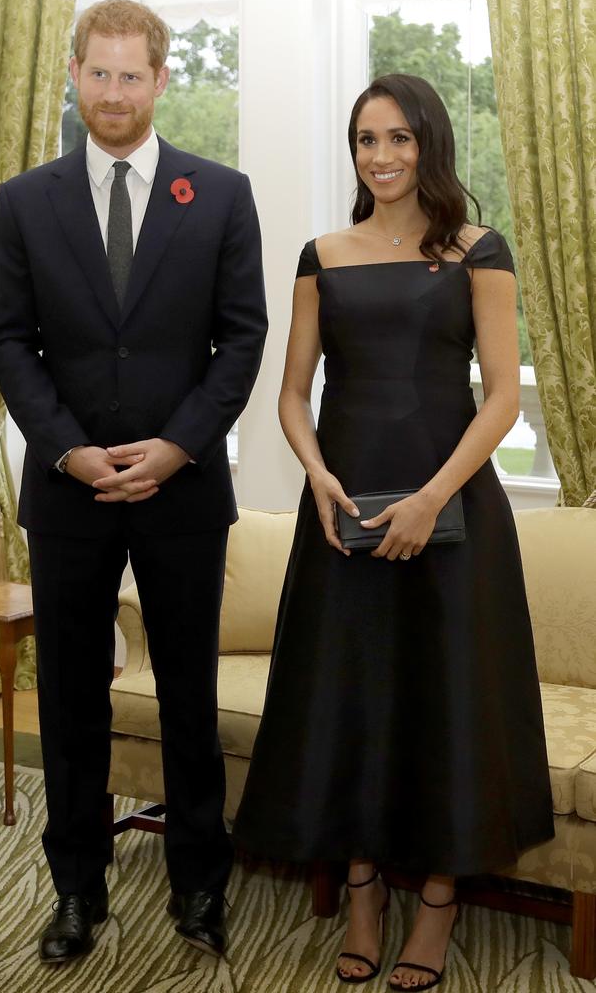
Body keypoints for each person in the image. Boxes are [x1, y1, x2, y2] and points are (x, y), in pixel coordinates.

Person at [233, 73, 553, 991]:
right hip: (344, 516)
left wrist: (427, 498)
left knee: (444, 703)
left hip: (453, 512)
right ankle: (365, 891)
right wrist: (321, 479)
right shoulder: (321, 253)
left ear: (429, 145)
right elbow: (294, 394)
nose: (382, 156)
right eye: (367, 139)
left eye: (400, 138)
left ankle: (440, 904)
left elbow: (499, 400)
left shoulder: (476, 250)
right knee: (354, 701)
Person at [0, 0, 266, 965]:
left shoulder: (220, 194)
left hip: (182, 493)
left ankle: (198, 888)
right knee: (71, 700)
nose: (113, 92)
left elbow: (243, 338)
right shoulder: (24, 201)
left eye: (130, 75)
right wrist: (65, 448)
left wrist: (176, 446)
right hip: (67, 495)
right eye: (96, 74)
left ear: (158, 78)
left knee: (188, 694)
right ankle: (76, 891)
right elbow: (7, 342)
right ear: (73, 75)